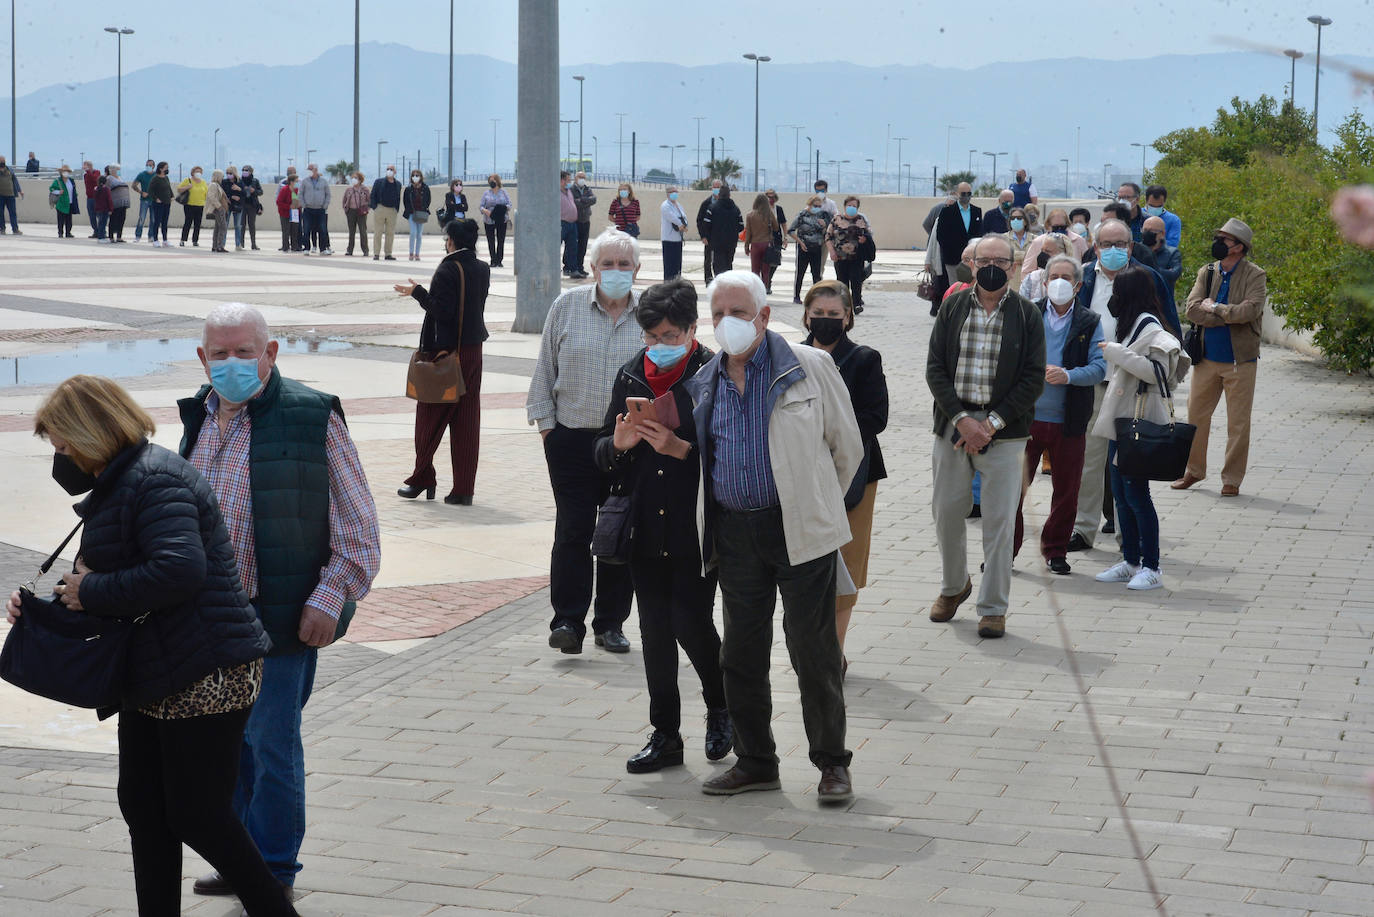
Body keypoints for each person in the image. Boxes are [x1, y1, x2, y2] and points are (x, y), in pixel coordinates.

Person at [10, 375, 295, 917]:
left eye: (63, 446)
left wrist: (87, 589)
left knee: (197, 813)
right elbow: (115, 572)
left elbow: (178, 570)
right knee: (144, 807)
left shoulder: (154, 480)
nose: (59, 459)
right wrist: (51, 602)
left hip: (206, 670)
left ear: (91, 433)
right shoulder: (122, 481)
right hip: (156, 668)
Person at [182, 303, 380, 897]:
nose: (233, 364)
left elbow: (359, 528)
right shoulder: (197, 417)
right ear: (203, 358)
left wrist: (330, 597)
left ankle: (273, 872)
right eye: (220, 354)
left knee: (271, 745)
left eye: (246, 352)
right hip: (208, 621)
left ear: (271, 353)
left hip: (280, 616)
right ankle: (240, 858)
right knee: (226, 745)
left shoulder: (311, 415)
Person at [682, 269, 862, 801]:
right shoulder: (705, 379)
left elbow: (847, 449)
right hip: (734, 533)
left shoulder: (810, 367)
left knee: (814, 650)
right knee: (740, 650)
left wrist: (818, 504)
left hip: (799, 529)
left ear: (764, 315)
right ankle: (756, 759)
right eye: (717, 314)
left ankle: (832, 763)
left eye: (737, 313)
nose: (725, 324)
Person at [592, 277, 732, 774]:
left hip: (694, 526)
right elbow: (602, 456)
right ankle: (666, 733)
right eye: (651, 337)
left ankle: (722, 708)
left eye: (671, 337)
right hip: (642, 527)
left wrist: (683, 452)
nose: (660, 347)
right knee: (653, 629)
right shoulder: (631, 375)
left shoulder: (715, 372)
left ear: (693, 329)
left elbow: (734, 458)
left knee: (690, 621)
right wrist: (620, 446)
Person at [526, 228, 641, 656]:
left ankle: (610, 623)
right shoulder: (567, 307)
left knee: (617, 530)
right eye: (606, 264)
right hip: (570, 439)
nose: (614, 271)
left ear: (636, 270)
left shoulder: (649, 313)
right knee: (573, 529)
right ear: (592, 268)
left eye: (622, 264)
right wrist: (547, 429)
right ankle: (567, 621)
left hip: (628, 443)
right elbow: (544, 371)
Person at [926, 235, 1045, 639]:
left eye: (1002, 259)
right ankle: (953, 585)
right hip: (953, 425)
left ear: (1013, 267)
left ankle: (993, 607)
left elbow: (1032, 379)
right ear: (971, 265)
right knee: (946, 512)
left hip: (1005, 432)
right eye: (985, 259)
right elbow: (935, 369)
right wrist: (962, 421)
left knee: (998, 520)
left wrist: (990, 425)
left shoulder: (1027, 314)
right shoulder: (953, 306)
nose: (993, 265)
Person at [1068, 219, 1181, 551]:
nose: (1113, 250)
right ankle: (1083, 528)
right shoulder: (1084, 276)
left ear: (1131, 247)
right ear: (1095, 246)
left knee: (1127, 464)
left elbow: (1169, 327)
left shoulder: (1148, 278)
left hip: (1133, 388)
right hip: (1091, 381)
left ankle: (1125, 534)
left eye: (1120, 244)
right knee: (1089, 460)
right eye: (1106, 244)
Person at [800, 280, 887, 670]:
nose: (825, 322)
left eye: (834, 315)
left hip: (853, 474)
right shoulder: (788, 356)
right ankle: (807, 646)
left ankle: (833, 653)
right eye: (818, 315)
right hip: (798, 474)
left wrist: (829, 433)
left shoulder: (865, 359)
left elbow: (876, 417)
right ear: (806, 315)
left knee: (846, 564)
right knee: (803, 565)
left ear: (848, 317)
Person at [1092, 266, 1190, 590]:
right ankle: (1131, 561)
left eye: (1118, 292)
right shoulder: (1132, 324)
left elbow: (1158, 372)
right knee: (1121, 495)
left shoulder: (1150, 326)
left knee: (1137, 495)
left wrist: (1117, 352)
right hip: (1120, 423)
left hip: (1139, 420)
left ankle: (1152, 566)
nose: (1113, 298)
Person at [1012, 255, 1106, 575]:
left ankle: (1055, 550)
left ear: (1078, 285)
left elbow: (1099, 367)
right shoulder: (1028, 313)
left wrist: (1068, 375)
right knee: (1012, 488)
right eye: (1054, 276)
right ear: (1045, 281)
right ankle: (1004, 552)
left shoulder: (1089, 321)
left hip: (1069, 420)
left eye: (1066, 277)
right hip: (1025, 418)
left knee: (1067, 491)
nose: (1059, 282)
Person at [393, 219, 490, 504]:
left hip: (446, 355)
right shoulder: (482, 269)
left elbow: (443, 312)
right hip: (473, 352)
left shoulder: (448, 269)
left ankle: (422, 477)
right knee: (467, 423)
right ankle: (463, 490)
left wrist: (418, 293)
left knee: (428, 419)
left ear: (451, 241)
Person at [1174, 218, 1267, 497]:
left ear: (1239, 247)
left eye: (1224, 239)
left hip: (1240, 361)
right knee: (1195, 418)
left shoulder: (1255, 275)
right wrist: (1225, 315)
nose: (1219, 243)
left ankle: (1232, 479)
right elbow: (1192, 310)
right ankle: (1193, 471)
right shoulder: (1208, 272)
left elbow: (1249, 312)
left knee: (1237, 423)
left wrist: (1215, 308)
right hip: (1206, 358)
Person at [825, 196, 873, 314]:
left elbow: (869, 235)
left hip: (857, 257)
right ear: (845, 206)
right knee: (842, 282)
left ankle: (856, 304)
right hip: (840, 257)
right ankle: (843, 305)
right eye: (849, 205)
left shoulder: (861, 220)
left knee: (856, 281)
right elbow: (828, 237)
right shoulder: (836, 219)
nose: (851, 208)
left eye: (854, 206)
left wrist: (864, 240)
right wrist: (831, 251)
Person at [934, 182, 983, 287]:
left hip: (972, 259)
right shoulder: (947, 212)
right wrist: (949, 250)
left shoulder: (976, 211)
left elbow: (979, 233)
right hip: (953, 259)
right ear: (957, 193)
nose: (966, 196)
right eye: (963, 193)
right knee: (956, 286)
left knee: (972, 285)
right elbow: (941, 236)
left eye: (968, 193)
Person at [788, 195, 830, 304]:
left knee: (816, 274)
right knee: (800, 273)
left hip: (817, 247)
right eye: (815, 206)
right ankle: (796, 296)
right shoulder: (802, 215)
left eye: (819, 206)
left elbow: (829, 230)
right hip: (804, 247)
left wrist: (825, 225)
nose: (817, 208)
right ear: (810, 205)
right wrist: (800, 242)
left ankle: (817, 297)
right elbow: (791, 230)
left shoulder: (823, 215)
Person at [703, 185, 743, 278]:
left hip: (717, 243)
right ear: (729, 195)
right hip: (731, 243)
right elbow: (741, 227)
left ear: (719, 195)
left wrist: (707, 236)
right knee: (728, 265)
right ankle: (728, 286)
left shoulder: (712, 208)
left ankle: (720, 287)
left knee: (718, 267)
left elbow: (706, 225)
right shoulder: (736, 209)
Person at [743, 193, 779, 290]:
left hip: (755, 244)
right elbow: (776, 228)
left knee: (755, 270)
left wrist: (746, 246)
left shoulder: (750, 215)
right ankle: (764, 289)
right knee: (765, 270)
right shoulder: (769, 214)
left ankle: (755, 290)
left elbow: (748, 233)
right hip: (767, 244)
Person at [1019, 233, 1069, 302]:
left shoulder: (1071, 280)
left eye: (1048, 251)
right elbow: (1022, 305)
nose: (1043, 254)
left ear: (1062, 254)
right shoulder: (1031, 279)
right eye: (1042, 251)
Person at [370, 164, 402, 261]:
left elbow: (398, 197)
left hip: (392, 211)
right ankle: (376, 254)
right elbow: (373, 195)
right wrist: (375, 207)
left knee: (390, 233)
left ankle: (388, 254)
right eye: (388, 169)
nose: (389, 171)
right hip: (380, 208)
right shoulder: (378, 182)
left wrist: (396, 209)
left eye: (391, 169)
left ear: (395, 172)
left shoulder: (398, 184)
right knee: (378, 232)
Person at [299, 163, 332, 255]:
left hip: (320, 209)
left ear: (316, 170)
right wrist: (304, 204)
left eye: (310, 169)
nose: (308, 171)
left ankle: (323, 249)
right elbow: (300, 194)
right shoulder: (305, 181)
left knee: (322, 229)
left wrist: (325, 205)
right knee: (306, 229)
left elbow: (328, 194)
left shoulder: (323, 181)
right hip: (308, 209)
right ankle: (306, 248)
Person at [479, 174, 511, 267]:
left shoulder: (504, 192)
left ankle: (499, 260)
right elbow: (481, 206)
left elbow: (509, 204)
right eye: (490, 181)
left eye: (493, 180)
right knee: (491, 240)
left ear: (498, 181)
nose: (492, 182)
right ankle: (493, 260)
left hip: (501, 219)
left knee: (501, 240)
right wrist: (485, 211)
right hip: (489, 219)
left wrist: (503, 208)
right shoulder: (486, 193)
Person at [1002, 205, 1037, 289]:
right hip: (1010, 283)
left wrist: (1016, 256)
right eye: (1013, 218)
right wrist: (1026, 256)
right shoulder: (1003, 239)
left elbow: (1036, 259)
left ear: (1025, 221)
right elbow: (1004, 257)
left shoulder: (1035, 239)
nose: (1015, 220)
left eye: (1019, 218)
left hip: (1030, 283)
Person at [1142, 215, 1182, 289]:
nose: (1147, 233)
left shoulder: (1172, 253)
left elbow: (1173, 275)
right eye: (1145, 230)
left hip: (1162, 297)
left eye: (1151, 231)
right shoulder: (1136, 249)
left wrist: (1149, 269)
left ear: (1162, 234)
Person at [696, 179, 723, 283]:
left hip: (721, 237)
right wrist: (703, 236)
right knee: (708, 259)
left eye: (718, 187)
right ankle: (708, 278)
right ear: (712, 188)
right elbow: (699, 220)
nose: (717, 189)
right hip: (709, 236)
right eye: (715, 187)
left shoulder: (725, 203)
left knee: (720, 259)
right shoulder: (706, 203)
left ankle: (719, 278)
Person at [659, 186, 689, 280]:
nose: (675, 194)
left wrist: (685, 225)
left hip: (678, 239)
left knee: (677, 265)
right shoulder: (665, 205)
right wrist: (680, 224)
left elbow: (684, 216)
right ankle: (668, 284)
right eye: (672, 192)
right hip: (668, 239)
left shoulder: (678, 205)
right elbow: (671, 217)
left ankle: (677, 283)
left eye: (676, 192)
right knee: (669, 265)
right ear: (668, 194)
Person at [559, 171, 584, 278]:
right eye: (568, 180)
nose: (570, 182)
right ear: (561, 180)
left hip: (572, 224)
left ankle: (572, 269)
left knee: (572, 248)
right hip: (561, 223)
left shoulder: (569, 191)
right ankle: (553, 268)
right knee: (556, 247)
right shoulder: (554, 192)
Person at [402, 169, 431, 262]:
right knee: (413, 233)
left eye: (417, 175)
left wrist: (424, 208)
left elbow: (428, 200)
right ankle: (411, 253)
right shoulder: (408, 189)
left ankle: (417, 254)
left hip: (421, 213)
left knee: (419, 234)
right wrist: (409, 209)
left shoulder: (425, 188)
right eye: (413, 175)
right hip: (411, 213)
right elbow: (405, 201)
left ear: (421, 177)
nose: (415, 177)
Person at [571, 171, 596, 273]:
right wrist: (585, 201)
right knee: (573, 246)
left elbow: (593, 199)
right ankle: (572, 267)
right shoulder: (571, 189)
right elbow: (573, 202)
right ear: (575, 178)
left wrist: (581, 200)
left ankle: (580, 267)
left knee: (583, 245)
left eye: (583, 177)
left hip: (586, 221)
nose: (582, 179)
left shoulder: (587, 189)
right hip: (575, 221)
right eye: (580, 177)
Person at [178, 167, 208, 247]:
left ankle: (195, 240)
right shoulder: (187, 180)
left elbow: (206, 193)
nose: (198, 173)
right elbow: (179, 189)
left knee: (197, 224)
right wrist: (187, 187)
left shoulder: (203, 182)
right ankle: (183, 239)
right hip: (189, 205)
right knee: (188, 222)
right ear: (193, 173)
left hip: (200, 205)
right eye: (196, 171)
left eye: (200, 172)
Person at [342, 171, 370, 257]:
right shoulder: (349, 190)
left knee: (363, 231)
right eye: (352, 178)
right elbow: (344, 200)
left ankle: (365, 250)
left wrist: (366, 209)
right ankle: (350, 250)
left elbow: (369, 200)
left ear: (360, 180)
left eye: (356, 178)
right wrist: (346, 209)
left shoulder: (365, 190)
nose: (354, 180)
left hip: (361, 212)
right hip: (351, 211)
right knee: (351, 232)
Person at [48, 166, 80, 239]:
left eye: (67, 172)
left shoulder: (71, 181)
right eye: (64, 171)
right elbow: (51, 189)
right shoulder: (58, 181)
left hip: (70, 202)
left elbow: (74, 190)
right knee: (60, 219)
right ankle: (60, 233)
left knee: (69, 219)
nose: (66, 173)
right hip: (61, 203)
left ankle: (68, 232)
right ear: (61, 173)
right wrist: (59, 191)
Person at [204, 170, 230, 253]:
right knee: (223, 227)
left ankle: (215, 246)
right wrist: (219, 206)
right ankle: (219, 246)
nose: (223, 178)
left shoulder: (217, 185)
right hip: (218, 209)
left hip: (218, 209)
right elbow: (211, 196)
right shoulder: (213, 185)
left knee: (218, 227)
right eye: (222, 176)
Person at [147, 162, 172, 248]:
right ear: (161, 169)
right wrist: (155, 198)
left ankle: (165, 240)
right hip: (158, 204)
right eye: (166, 167)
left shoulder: (166, 178)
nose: (167, 169)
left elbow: (169, 188)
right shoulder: (155, 178)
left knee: (165, 222)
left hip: (167, 203)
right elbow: (150, 191)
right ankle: (155, 240)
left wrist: (171, 196)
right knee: (157, 221)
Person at [104, 164, 131, 243]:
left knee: (121, 219)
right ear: (112, 170)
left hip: (123, 203)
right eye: (117, 169)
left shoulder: (120, 178)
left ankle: (119, 236)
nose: (119, 171)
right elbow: (106, 190)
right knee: (113, 219)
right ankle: (111, 236)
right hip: (115, 203)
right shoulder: (109, 178)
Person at [131, 159, 156, 241]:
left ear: (153, 166)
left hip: (154, 201)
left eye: (150, 165)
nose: (148, 167)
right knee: (141, 218)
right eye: (147, 165)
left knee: (153, 219)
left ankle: (151, 236)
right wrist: (141, 192)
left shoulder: (156, 175)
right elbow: (134, 185)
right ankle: (138, 236)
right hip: (144, 200)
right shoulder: (142, 175)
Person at [275, 174, 301, 253]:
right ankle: (285, 246)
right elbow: (279, 202)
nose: (298, 183)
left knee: (295, 230)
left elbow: (300, 200)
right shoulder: (284, 190)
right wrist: (288, 206)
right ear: (291, 182)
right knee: (286, 230)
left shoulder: (297, 190)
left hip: (295, 213)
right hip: (285, 213)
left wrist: (299, 205)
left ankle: (294, 246)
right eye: (296, 181)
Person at [240, 165, 263, 251]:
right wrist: (243, 189)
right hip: (242, 205)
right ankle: (241, 243)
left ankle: (253, 244)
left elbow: (261, 192)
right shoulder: (240, 180)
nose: (244, 172)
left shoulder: (255, 181)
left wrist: (254, 191)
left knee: (252, 225)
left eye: (246, 170)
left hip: (252, 206)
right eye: (243, 170)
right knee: (242, 225)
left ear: (251, 172)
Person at [223, 166, 245, 251]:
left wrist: (239, 189)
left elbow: (245, 194)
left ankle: (238, 244)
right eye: (227, 173)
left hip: (238, 206)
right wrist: (231, 196)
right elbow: (223, 193)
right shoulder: (224, 182)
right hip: (227, 205)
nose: (229, 175)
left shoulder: (240, 182)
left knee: (238, 226)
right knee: (225, 225)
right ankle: (222, 243)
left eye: (230, 173)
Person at [0, 155, 23, 234]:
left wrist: (20, 191)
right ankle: (2, 229)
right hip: (0, 196)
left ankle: (15, 229)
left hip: (10, 195)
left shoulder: (10, 170)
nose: (2, 163)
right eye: (1, 161)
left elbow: (15, 181)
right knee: (0, 213)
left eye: (3, 161)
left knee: (13, 213)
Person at [90, 174, 112, 241]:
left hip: (98, 209)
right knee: (103, 224)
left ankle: (100, 236)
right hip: (105, 209)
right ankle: (101, 237)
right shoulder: (106, 189)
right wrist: (111, 209)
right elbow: (109, 199)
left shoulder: (96, 189)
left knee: (100, 223)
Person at [83, 161, 101, 237]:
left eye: (85, 166)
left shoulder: (97, 172)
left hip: (97, 198)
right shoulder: (85, 175)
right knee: (92, 216)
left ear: (90, 166)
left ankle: (101, 230)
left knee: (99, 215)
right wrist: (87, 172)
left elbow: (94, 180)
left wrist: (88, 171)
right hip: (89, 198)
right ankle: (95, 231)